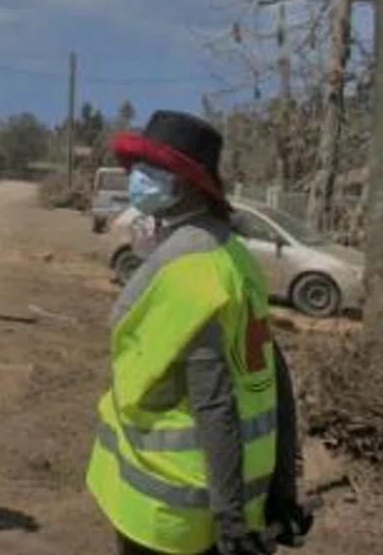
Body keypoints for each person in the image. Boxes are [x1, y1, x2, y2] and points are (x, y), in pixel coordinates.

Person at [84, 110, 312, 555]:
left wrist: (229, 523)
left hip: (173, 506)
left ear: (186, 183)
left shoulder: (187, 272)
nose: (137, 181)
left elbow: (214, 400)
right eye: (138, 170)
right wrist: (281, 491)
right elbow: (272, 373)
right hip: (239, 491)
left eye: (152, 172)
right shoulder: (235, 255)